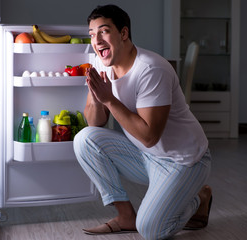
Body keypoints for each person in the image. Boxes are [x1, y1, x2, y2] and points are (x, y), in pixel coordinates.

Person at [73, 4, 212, 240]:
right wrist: (98, 97)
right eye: (92, 34)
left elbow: (150, 136)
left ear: (124, 33)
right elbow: (95, 123)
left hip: (183, 161)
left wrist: (109, 99)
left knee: (150, 230)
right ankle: (125, 215)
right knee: (84, 139)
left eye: (104, 31)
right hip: (145, 156)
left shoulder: (151, 69)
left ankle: (200, 197)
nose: (97, 40)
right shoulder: (100, 63)